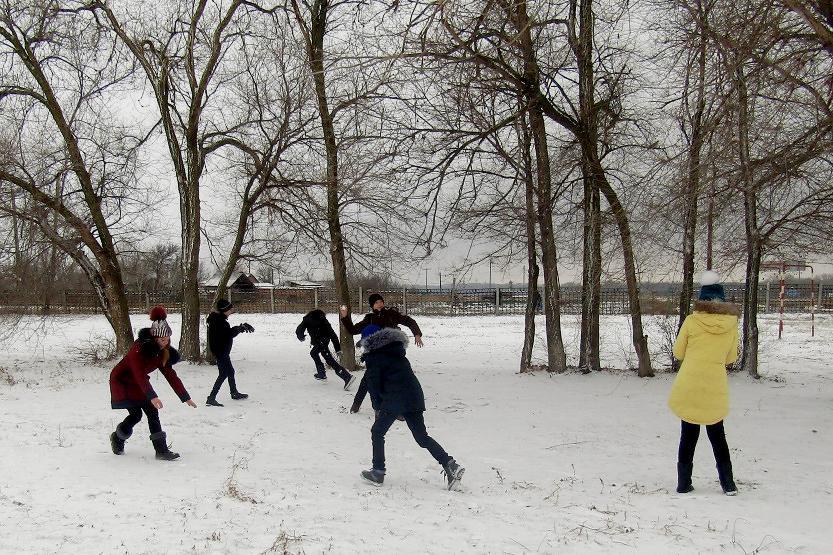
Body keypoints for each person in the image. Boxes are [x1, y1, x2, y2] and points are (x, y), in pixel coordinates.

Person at [358, 324, 464, 490]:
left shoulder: (374, 358)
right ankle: (450, 465)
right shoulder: (396, 351)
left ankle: (378, 471)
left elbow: (374, 387)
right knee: (422, 437)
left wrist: (378, 408)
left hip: (395, 397)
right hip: (413, 395)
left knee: (377, 432)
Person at [669, 270, 740, 496]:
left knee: (688, 435)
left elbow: (678, 352)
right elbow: (731, 357)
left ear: (701, 299)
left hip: (690, 383)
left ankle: (683, 483)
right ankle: (728, 484)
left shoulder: (692, 321)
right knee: (717, 435)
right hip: (714, 385)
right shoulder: (731, 324)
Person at [109, 305, 197, 461]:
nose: (165, 342)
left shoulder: (162, 352)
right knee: (136, 415)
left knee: (150, 412)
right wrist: (152, 396)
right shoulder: (139, 349)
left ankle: (161, 451)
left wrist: (185, 396)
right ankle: (117, 438)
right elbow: (138, 374)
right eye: (162, 340)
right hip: (123, 382)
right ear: (154, 338)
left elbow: (170, 375)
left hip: (139, 383)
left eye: (168, 339)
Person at [340, 293, 423, 413]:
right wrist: (345, 317)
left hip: (392, 352)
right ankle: (357, 404)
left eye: (380, 301)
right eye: (376, 302)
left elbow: (409, 321)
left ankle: (396, 409)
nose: (379, 304)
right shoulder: (369, 318)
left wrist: (417, 334)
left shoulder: (391, 314)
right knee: (368, 379)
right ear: (372, 306)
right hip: (375, 354)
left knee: (394, 380)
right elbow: (352, 330)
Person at [206, 298, 254, 407]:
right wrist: (240, 328)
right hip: (221, 352)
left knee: (230, 371)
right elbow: (228, 334)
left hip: (222, 351)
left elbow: (227, 333)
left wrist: (240, 328)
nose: (231, 311)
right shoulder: (218, 321)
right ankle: (211, 398)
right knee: (223, 374)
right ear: (224, 310)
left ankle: (234, 393)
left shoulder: (218, 320)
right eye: (230, 309)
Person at [296, 309, 356, 390]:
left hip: (319, 342)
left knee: (315, 354)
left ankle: (345, 376)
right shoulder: (323, 320)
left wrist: (301, 336)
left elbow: (299, 329)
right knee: (326, 358)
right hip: (324, 341)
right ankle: (325, 374)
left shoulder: (307, 319)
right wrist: (337, 349)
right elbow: (333, 335)